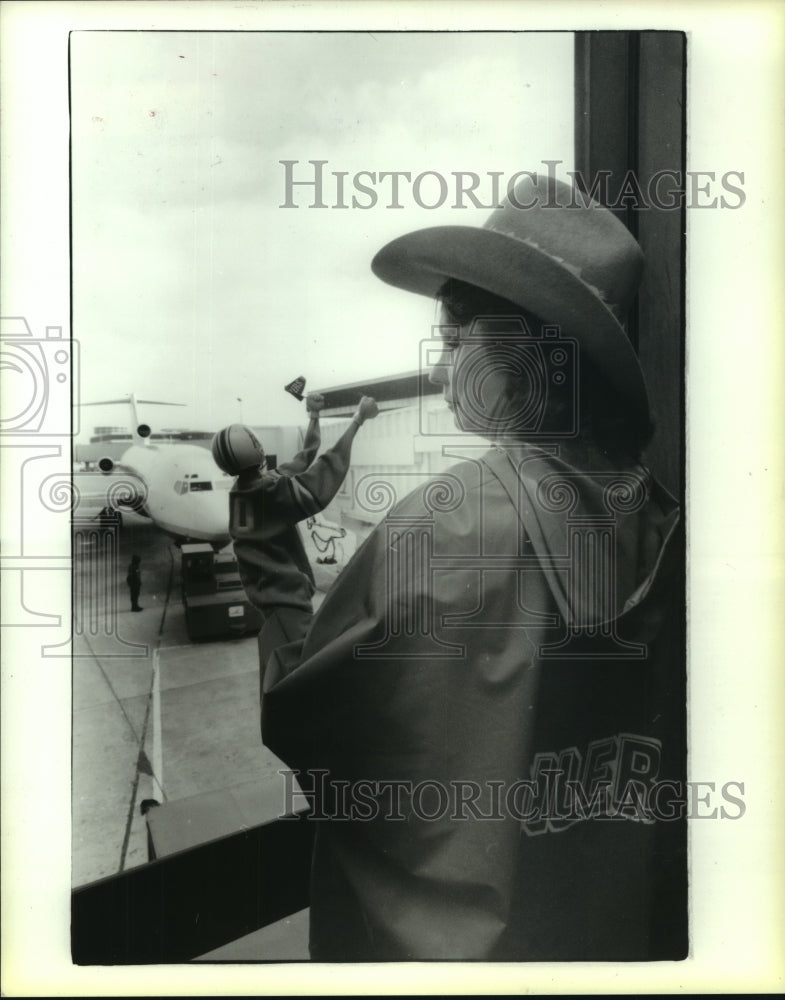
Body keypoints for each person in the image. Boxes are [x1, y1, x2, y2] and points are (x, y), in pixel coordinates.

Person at [258, 174, 685, 962]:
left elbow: (307, 725)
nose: (439, 371)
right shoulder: (661, 516)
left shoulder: (438, 525)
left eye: (455, 343)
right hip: (610, 939)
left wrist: (271, 573)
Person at [212, 392, 379, 664]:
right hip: (290, 612)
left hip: (274, 611)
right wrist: (357, 420)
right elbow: (327, 469)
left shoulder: (244, 491)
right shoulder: (269, 491)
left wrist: (313, 417)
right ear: (254, 447)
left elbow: (304, 458)